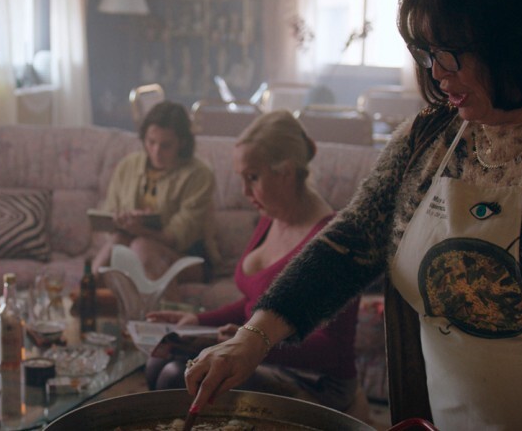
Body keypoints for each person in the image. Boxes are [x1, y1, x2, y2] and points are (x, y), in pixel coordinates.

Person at [184, 0, 522, 431]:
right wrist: (252, 338)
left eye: (450, 52)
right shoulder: (429, 138)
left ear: (511, 39)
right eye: (426, 53)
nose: (436, 73)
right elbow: (352, 241)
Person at [144, 110, 360, 413]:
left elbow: (332, 350)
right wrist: (198, 321)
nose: (244, 191)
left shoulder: (334, 242)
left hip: (316, 380)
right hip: (260, 352)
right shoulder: (270, 216)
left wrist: (253, 343)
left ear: (285, 172)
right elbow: (255, 304)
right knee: (159, 361)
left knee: (175, 377)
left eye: (253, 177)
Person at [93, 100, 219, 282]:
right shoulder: (128, 165)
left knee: (141, 246)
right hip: (130, 244)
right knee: (117, 242)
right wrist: (121, 220)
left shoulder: (199, 174)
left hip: (187, 255)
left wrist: (140, 230)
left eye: (165, 145)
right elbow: (109, 214)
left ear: (182, 143)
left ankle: (154, 300)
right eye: (151, 142)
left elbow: (178, 236)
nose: (156, 151)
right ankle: (88, 289)